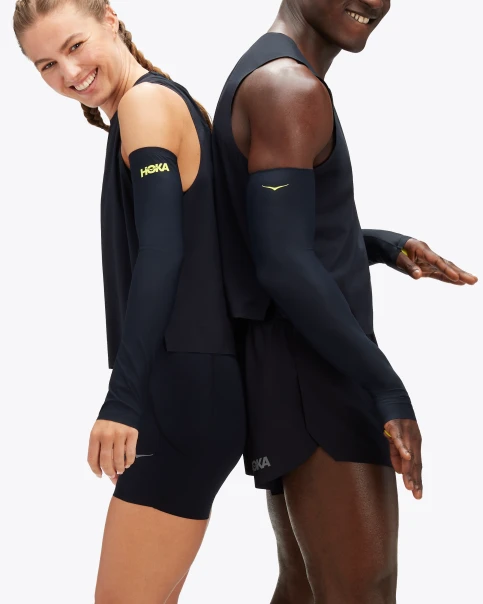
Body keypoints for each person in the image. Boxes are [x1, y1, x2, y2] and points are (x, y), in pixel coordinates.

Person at [212, 1, 478, 603]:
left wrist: (378, 246)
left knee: (305, 590)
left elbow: (271, 238)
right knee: (362, 592)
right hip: (318, 375)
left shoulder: (269, 73)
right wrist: (388, 390)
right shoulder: (288, 87)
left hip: (289, 365)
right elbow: (282, 264)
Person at [13, 1, 246, 602]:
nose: (69, 73)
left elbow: (162, 255)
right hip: (198, 387)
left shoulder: (145, 105)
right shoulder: (167, 103)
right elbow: (237, 241)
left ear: (111, 20)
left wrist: (124, 397)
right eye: (46, 65)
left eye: (74, 45)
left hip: (181, 391)